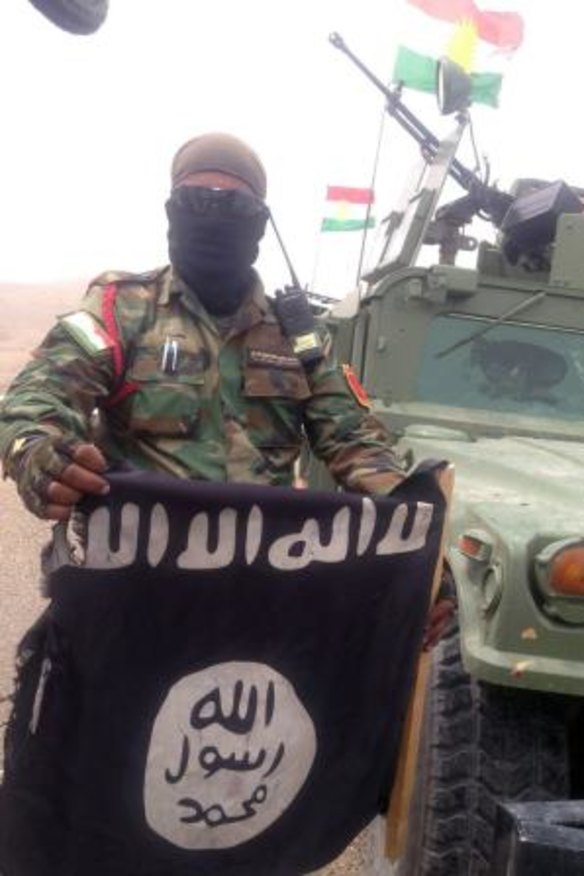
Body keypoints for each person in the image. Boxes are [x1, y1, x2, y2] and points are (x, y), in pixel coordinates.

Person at [0, 131, 454, 646]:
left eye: (231, 203)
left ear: (258, 221)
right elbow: (38, 397)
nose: (212, 214)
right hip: (133, 592)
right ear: (172, 211)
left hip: (260, 597)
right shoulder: (121, 308)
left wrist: (417, 550)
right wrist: (41, 455)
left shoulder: (297, 336)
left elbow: (356, 443)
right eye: (196, 200)